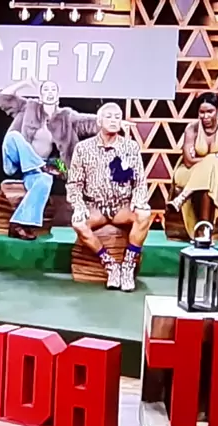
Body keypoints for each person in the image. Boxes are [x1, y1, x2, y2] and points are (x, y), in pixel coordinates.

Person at [0, 79, 130, 240]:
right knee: (14, 136)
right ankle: (39, 165)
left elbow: (89, 121)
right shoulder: (29, 107)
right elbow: (2, 98)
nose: (50, 93)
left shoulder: (66, 117)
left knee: (45, 180)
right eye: (46, 90)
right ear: (40, 96)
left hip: (35, 170)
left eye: (53, 90)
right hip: (16, 160)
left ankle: (19, 224)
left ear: (58, 96)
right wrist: (24, 82)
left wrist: (115, 123)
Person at [67, 103, 152, 292]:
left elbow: (139, 181)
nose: (114, 121)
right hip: (95, 206)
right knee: (78, 223)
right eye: (109, 116)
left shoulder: (130, 147)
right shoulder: (83, 148)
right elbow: (74, 184)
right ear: (99, 121)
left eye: (117, 117)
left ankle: (128, 265)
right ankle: (110, 265)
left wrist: (138, 201)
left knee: (144, 214)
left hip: (122, 206)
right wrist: (79, 206)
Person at [169, 92, 218, 239]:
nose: (205, 116)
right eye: (202, 112)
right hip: (189, 172)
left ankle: (183, 198)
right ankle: (204, 229)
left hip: (216, 172)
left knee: (212, 167)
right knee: (211, 170)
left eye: (210, 111)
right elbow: (188, 162)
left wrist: (214, 158)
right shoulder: (191, 129)